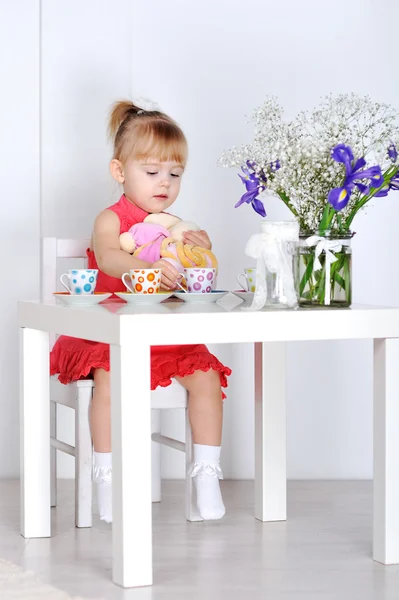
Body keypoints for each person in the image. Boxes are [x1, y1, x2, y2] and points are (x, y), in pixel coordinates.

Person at [50, 100, 232, 523]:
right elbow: (111, 258)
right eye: (152, 173)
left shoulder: (173, 223)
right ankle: (106, 477)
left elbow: (192, 261)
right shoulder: (109, 219)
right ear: (120, 172)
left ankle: (206, 472)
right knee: (109, 382)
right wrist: (150, 269)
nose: (164, 183)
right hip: (107, 334)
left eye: (174, 174)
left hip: (160, 337)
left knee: (206, 378)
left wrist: (194, 252)